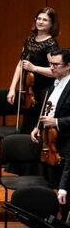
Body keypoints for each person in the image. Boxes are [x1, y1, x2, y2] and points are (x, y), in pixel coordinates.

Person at [8, 7, 60, 135]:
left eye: (45, 20)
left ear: (52, 24)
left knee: (36, 127)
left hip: (43, 92)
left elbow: (55, 71)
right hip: (29, 91)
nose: (40, 22)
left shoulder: (51, 44)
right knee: (27, 125)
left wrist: (34, 68)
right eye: (39, 18)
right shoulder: (29, 40)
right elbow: (20, 64)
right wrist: (12, 88)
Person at [30, 48, 70, 201]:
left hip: (66, 142)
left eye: (56, 65)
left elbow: (55, 117)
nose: (51, 68)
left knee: (63, 188)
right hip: (51, 142)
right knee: (50, 184)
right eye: (50, 64)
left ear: (68, 66)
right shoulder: (55, 83)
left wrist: (57, 122)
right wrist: (37, 127)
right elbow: (48, 109)